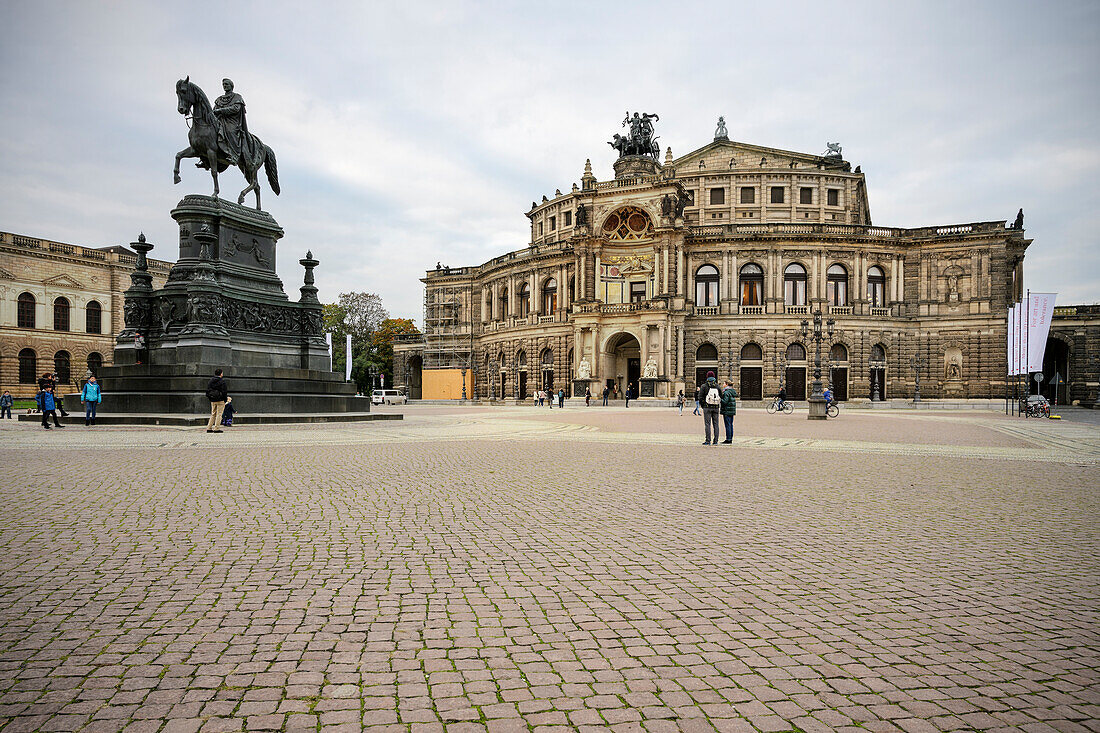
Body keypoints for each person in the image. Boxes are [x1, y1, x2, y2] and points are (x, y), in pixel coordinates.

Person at [698, 372, 722, 445]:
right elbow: (721, 396)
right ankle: (716, 441)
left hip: (707, 407)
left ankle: (708, 440)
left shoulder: (704, 386)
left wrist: (703, 405)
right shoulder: (717, 386)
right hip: (716, 407)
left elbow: (700, 397)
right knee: (716, 424)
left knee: (707, 424)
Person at [206, 368, 228, 433]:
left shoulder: (210, 381)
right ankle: (216, 428)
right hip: (220, 400)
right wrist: (225, 399)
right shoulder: (222, 381)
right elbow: (224, 392)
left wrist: (210, 398)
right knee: (219, 414)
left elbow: (208, 390)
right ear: (221, 374)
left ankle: (209, 427)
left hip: (212, 399)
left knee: (213, 414)